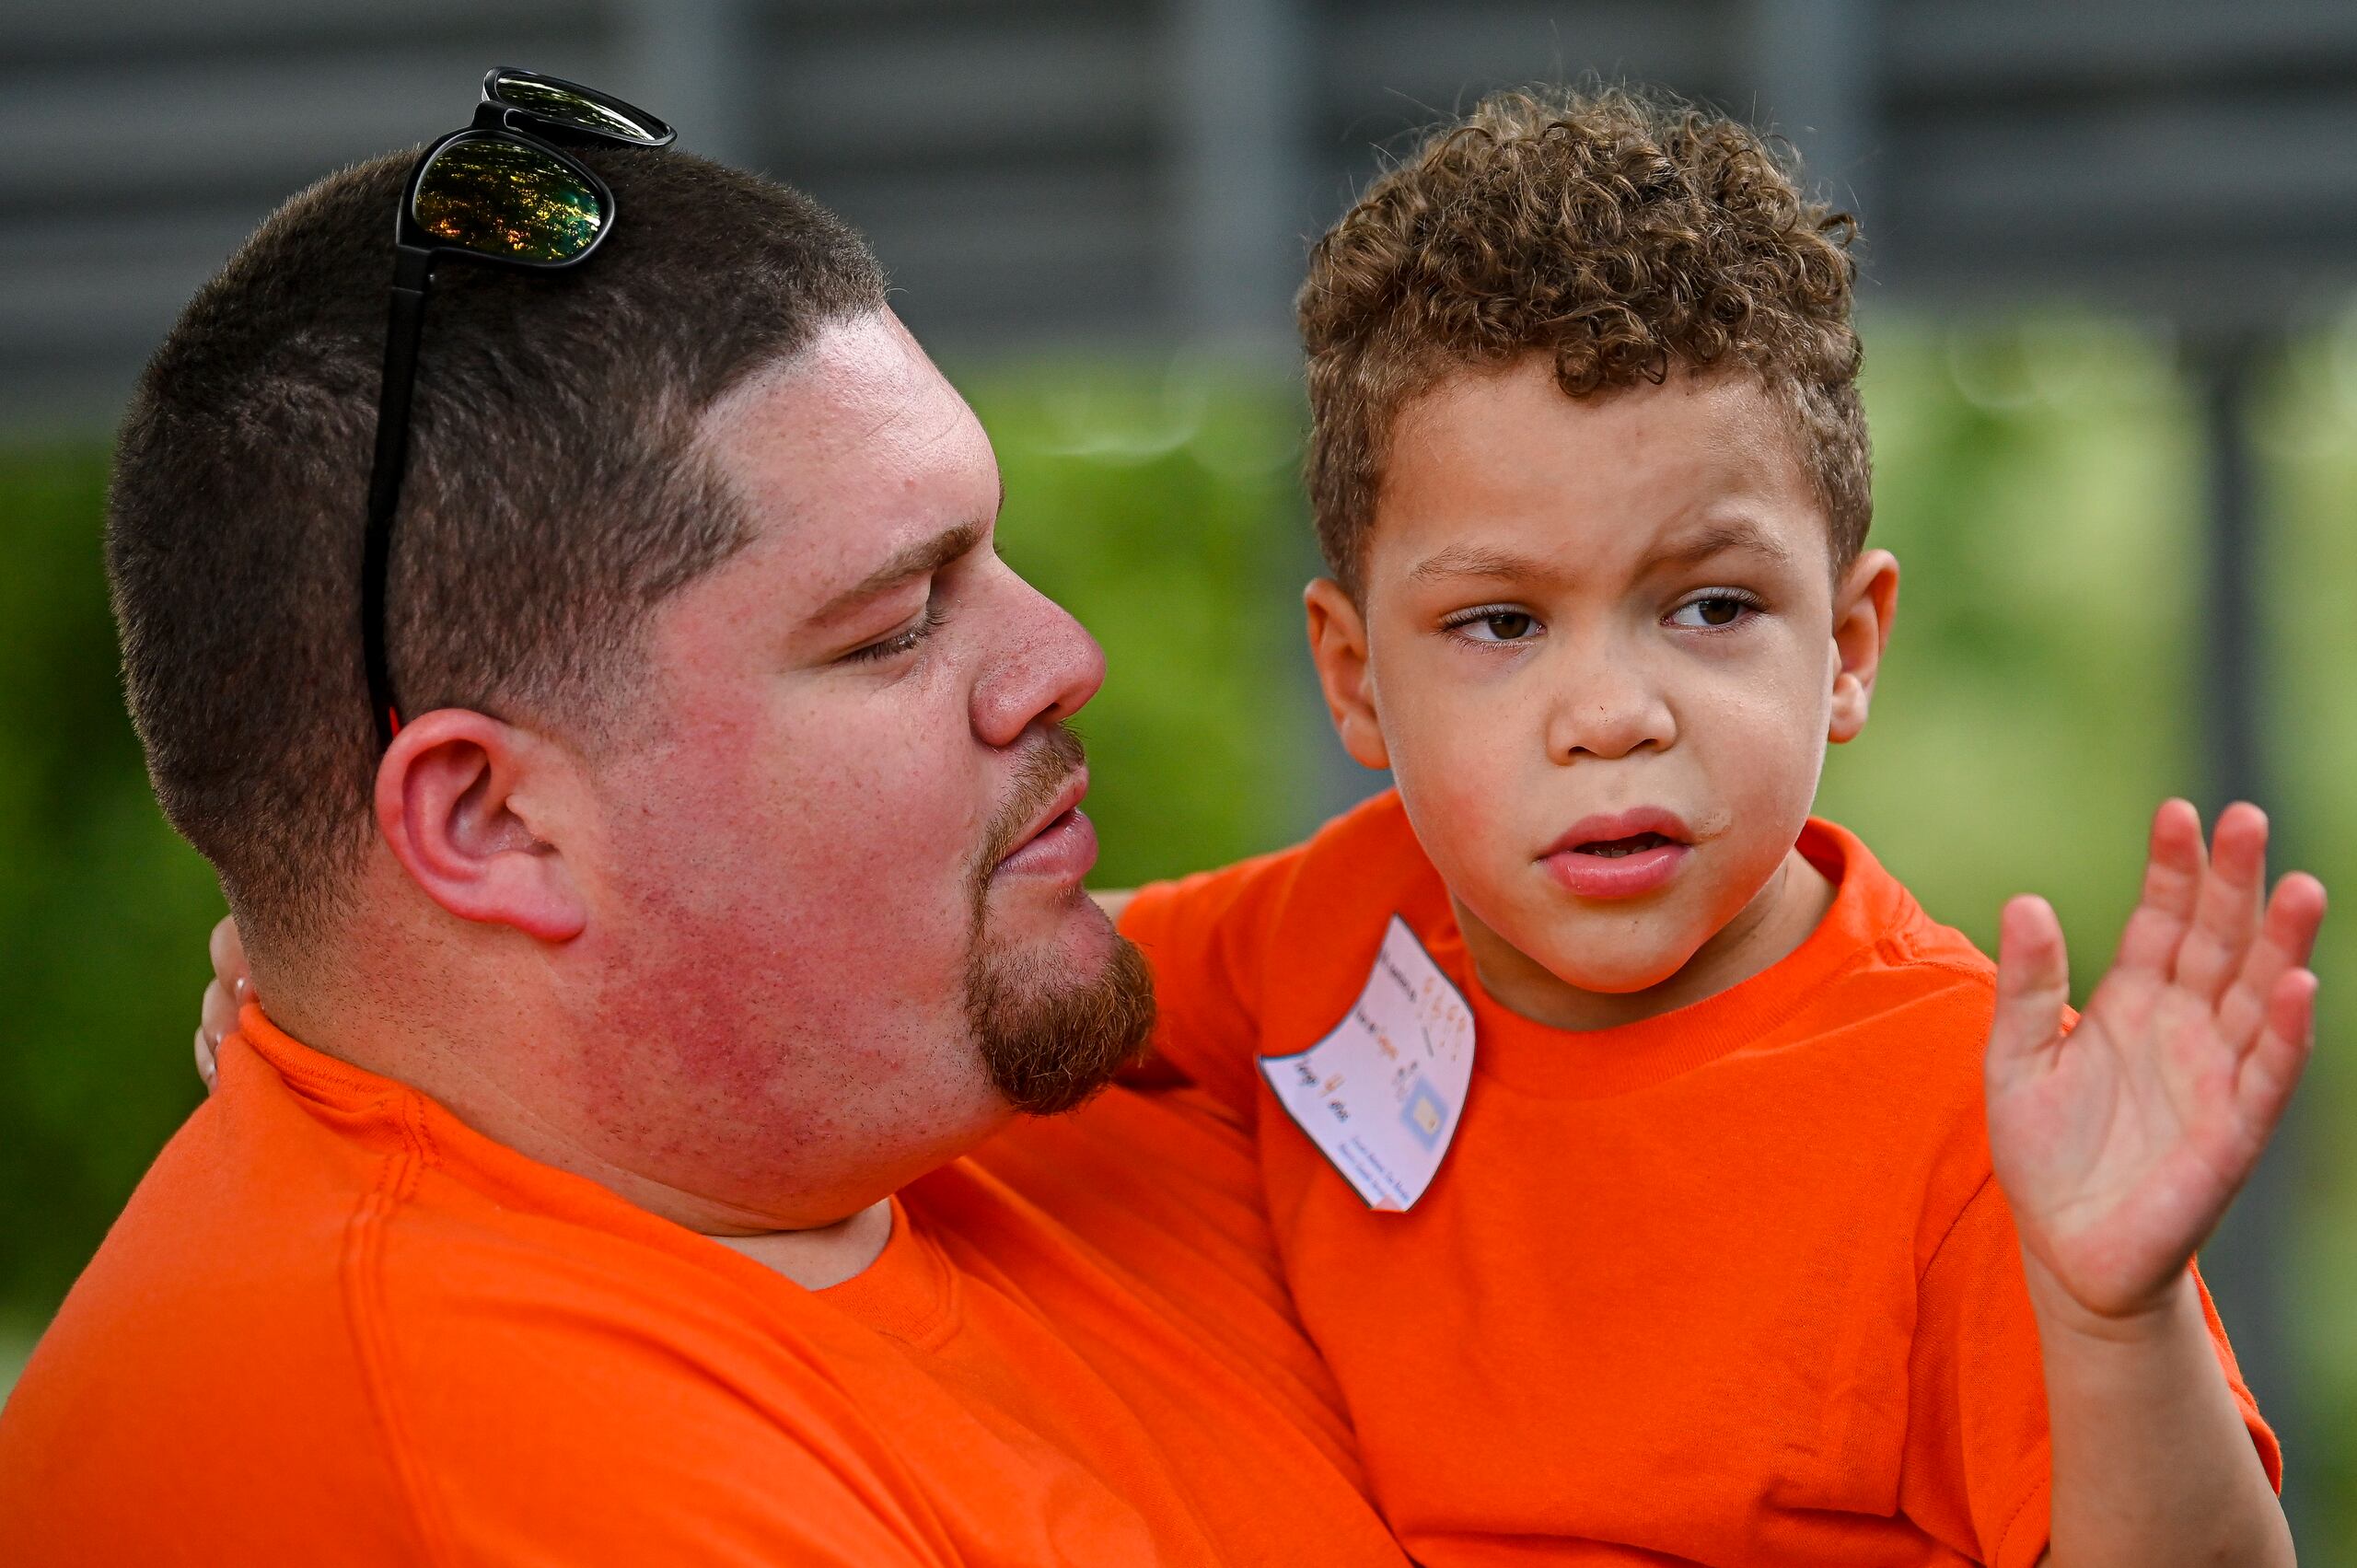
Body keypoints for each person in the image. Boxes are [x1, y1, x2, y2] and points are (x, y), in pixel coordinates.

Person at [0, 128, 1410, 1563]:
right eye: (894, 627)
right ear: (493, 825)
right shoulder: (511, 1456)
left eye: (990, 554)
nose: (1064, 656)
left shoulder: (909, 1090)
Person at [1109, 88, 2320, 1566]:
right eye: (1500, 622)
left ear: (1851, 646)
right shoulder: (1330, 924)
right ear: (1357, 682)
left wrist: (2114, 1317)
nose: (1612, 712)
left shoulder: (1971, 1121)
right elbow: (992, 985)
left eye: (1711, 607)